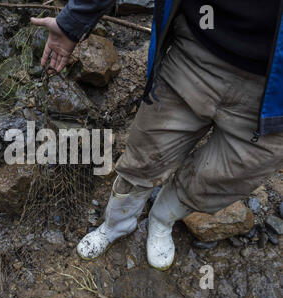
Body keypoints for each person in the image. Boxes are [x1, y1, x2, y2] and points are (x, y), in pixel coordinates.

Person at [31, 0, 283, 270]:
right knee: (145, 155)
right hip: (196, 52)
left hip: (277, 96)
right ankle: (117, 224)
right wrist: (73, 22)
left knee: (225, 177)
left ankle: (162, 218)